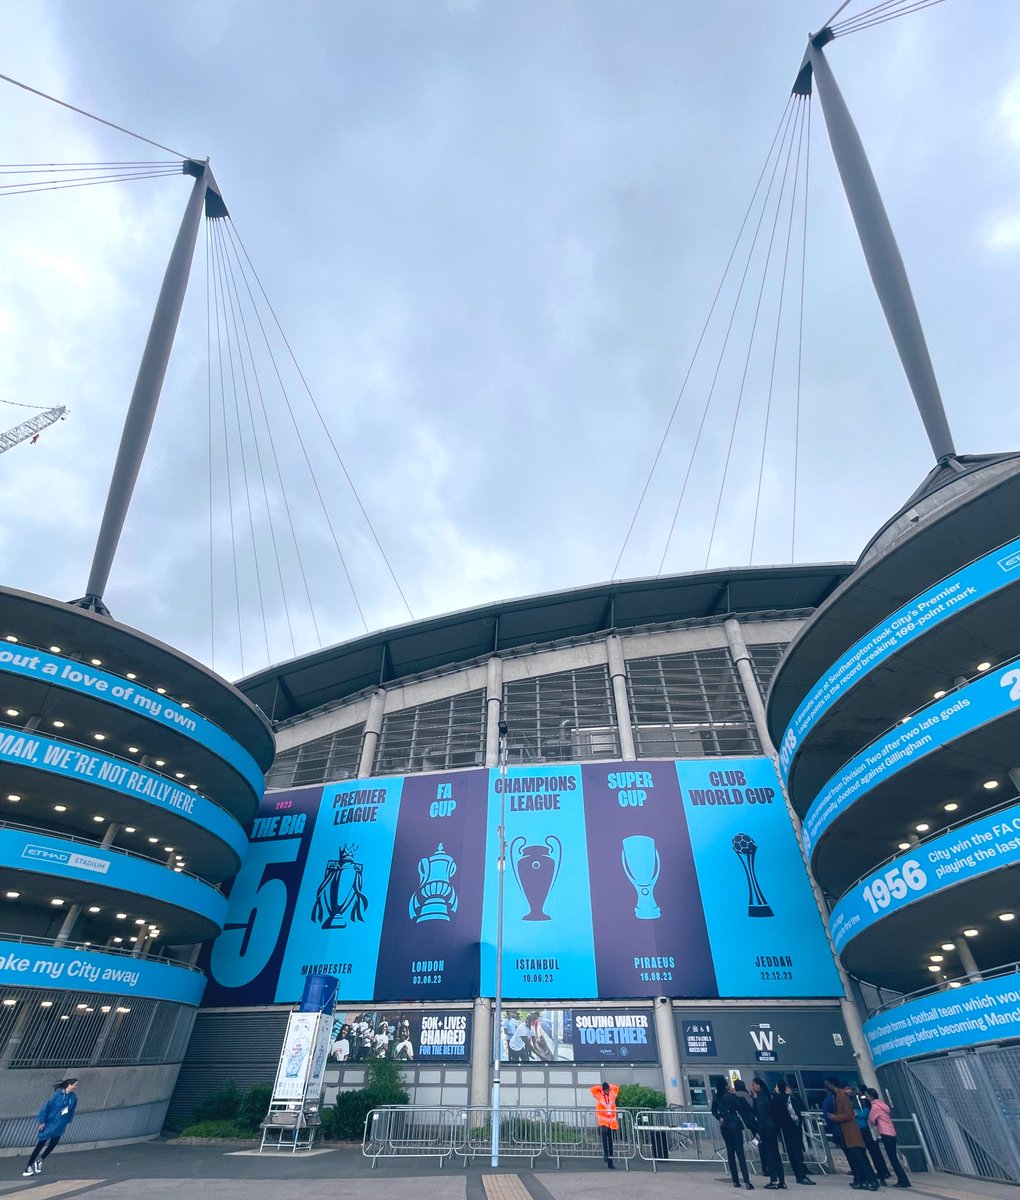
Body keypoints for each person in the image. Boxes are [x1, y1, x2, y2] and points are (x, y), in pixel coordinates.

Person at [826, 1079, 878, 1191]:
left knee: (860, 1157)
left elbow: (849, 1114)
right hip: (846, 1133)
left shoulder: (842, 1097)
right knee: (855, 1158)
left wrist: (836, 1117)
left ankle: (871, 1180)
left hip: (851, 1132)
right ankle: (860, 1180)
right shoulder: (838, 1096)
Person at [23, 1079, 78, 1177]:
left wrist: (68, 1120)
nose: (76, 1087)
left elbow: (72, 1110)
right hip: (50, 1124)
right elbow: (46, 1108)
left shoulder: (73, 1097)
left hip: (61, 1124)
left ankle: (41, 1160)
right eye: (75, 1085)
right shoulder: (56, 1096)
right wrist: (42, 1121)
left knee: (53, 1144)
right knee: (40, 1144)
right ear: (69, 1085)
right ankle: (28, 1166)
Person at [713, 1079, 755, 1189]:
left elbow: (713, 1111)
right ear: (726, 1086)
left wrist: (719, 1117)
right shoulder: (731, 1096)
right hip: (734, 1125)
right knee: (740, 1153)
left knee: (730, 1153)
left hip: (724, 1126)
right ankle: (747, 1181)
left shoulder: (717, 1097)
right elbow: (740, 1107)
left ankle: (735, 1181)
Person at [865, 1089, 910, 1188]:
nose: (866, 1097)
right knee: (894, 1157)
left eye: (867, 1095)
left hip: (885, 1132)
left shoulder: (875, 1107)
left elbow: (871, 1119)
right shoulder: (882, 1104)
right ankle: (903, 1180)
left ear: (871, 1096)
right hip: (891, 1132)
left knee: (893, 1158)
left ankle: (903, 1180)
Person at [775, 1081, 814, 1185]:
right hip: (794, 1126)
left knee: (791, 1151)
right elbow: (800, 1109)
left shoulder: (776, 1099)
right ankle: (802, 1175)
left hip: (784, 1128)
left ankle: (798, 1174)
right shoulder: (790, 1098)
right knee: (797, 1150)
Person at [591, 1080, 620, 1168]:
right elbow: (593, 1089)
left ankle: (610, 1161)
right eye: (606, 1090)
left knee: (610, 1140)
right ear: (603, 1090)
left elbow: (617, 1088)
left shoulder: (612, 1094)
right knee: (604, 1138)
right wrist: (601, 1087)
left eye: (608, 1090)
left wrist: (609, 1087)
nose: (607, 1091)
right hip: (603, 1121)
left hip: (611, 1121)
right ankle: (606, 1154)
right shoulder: (599, 1095)